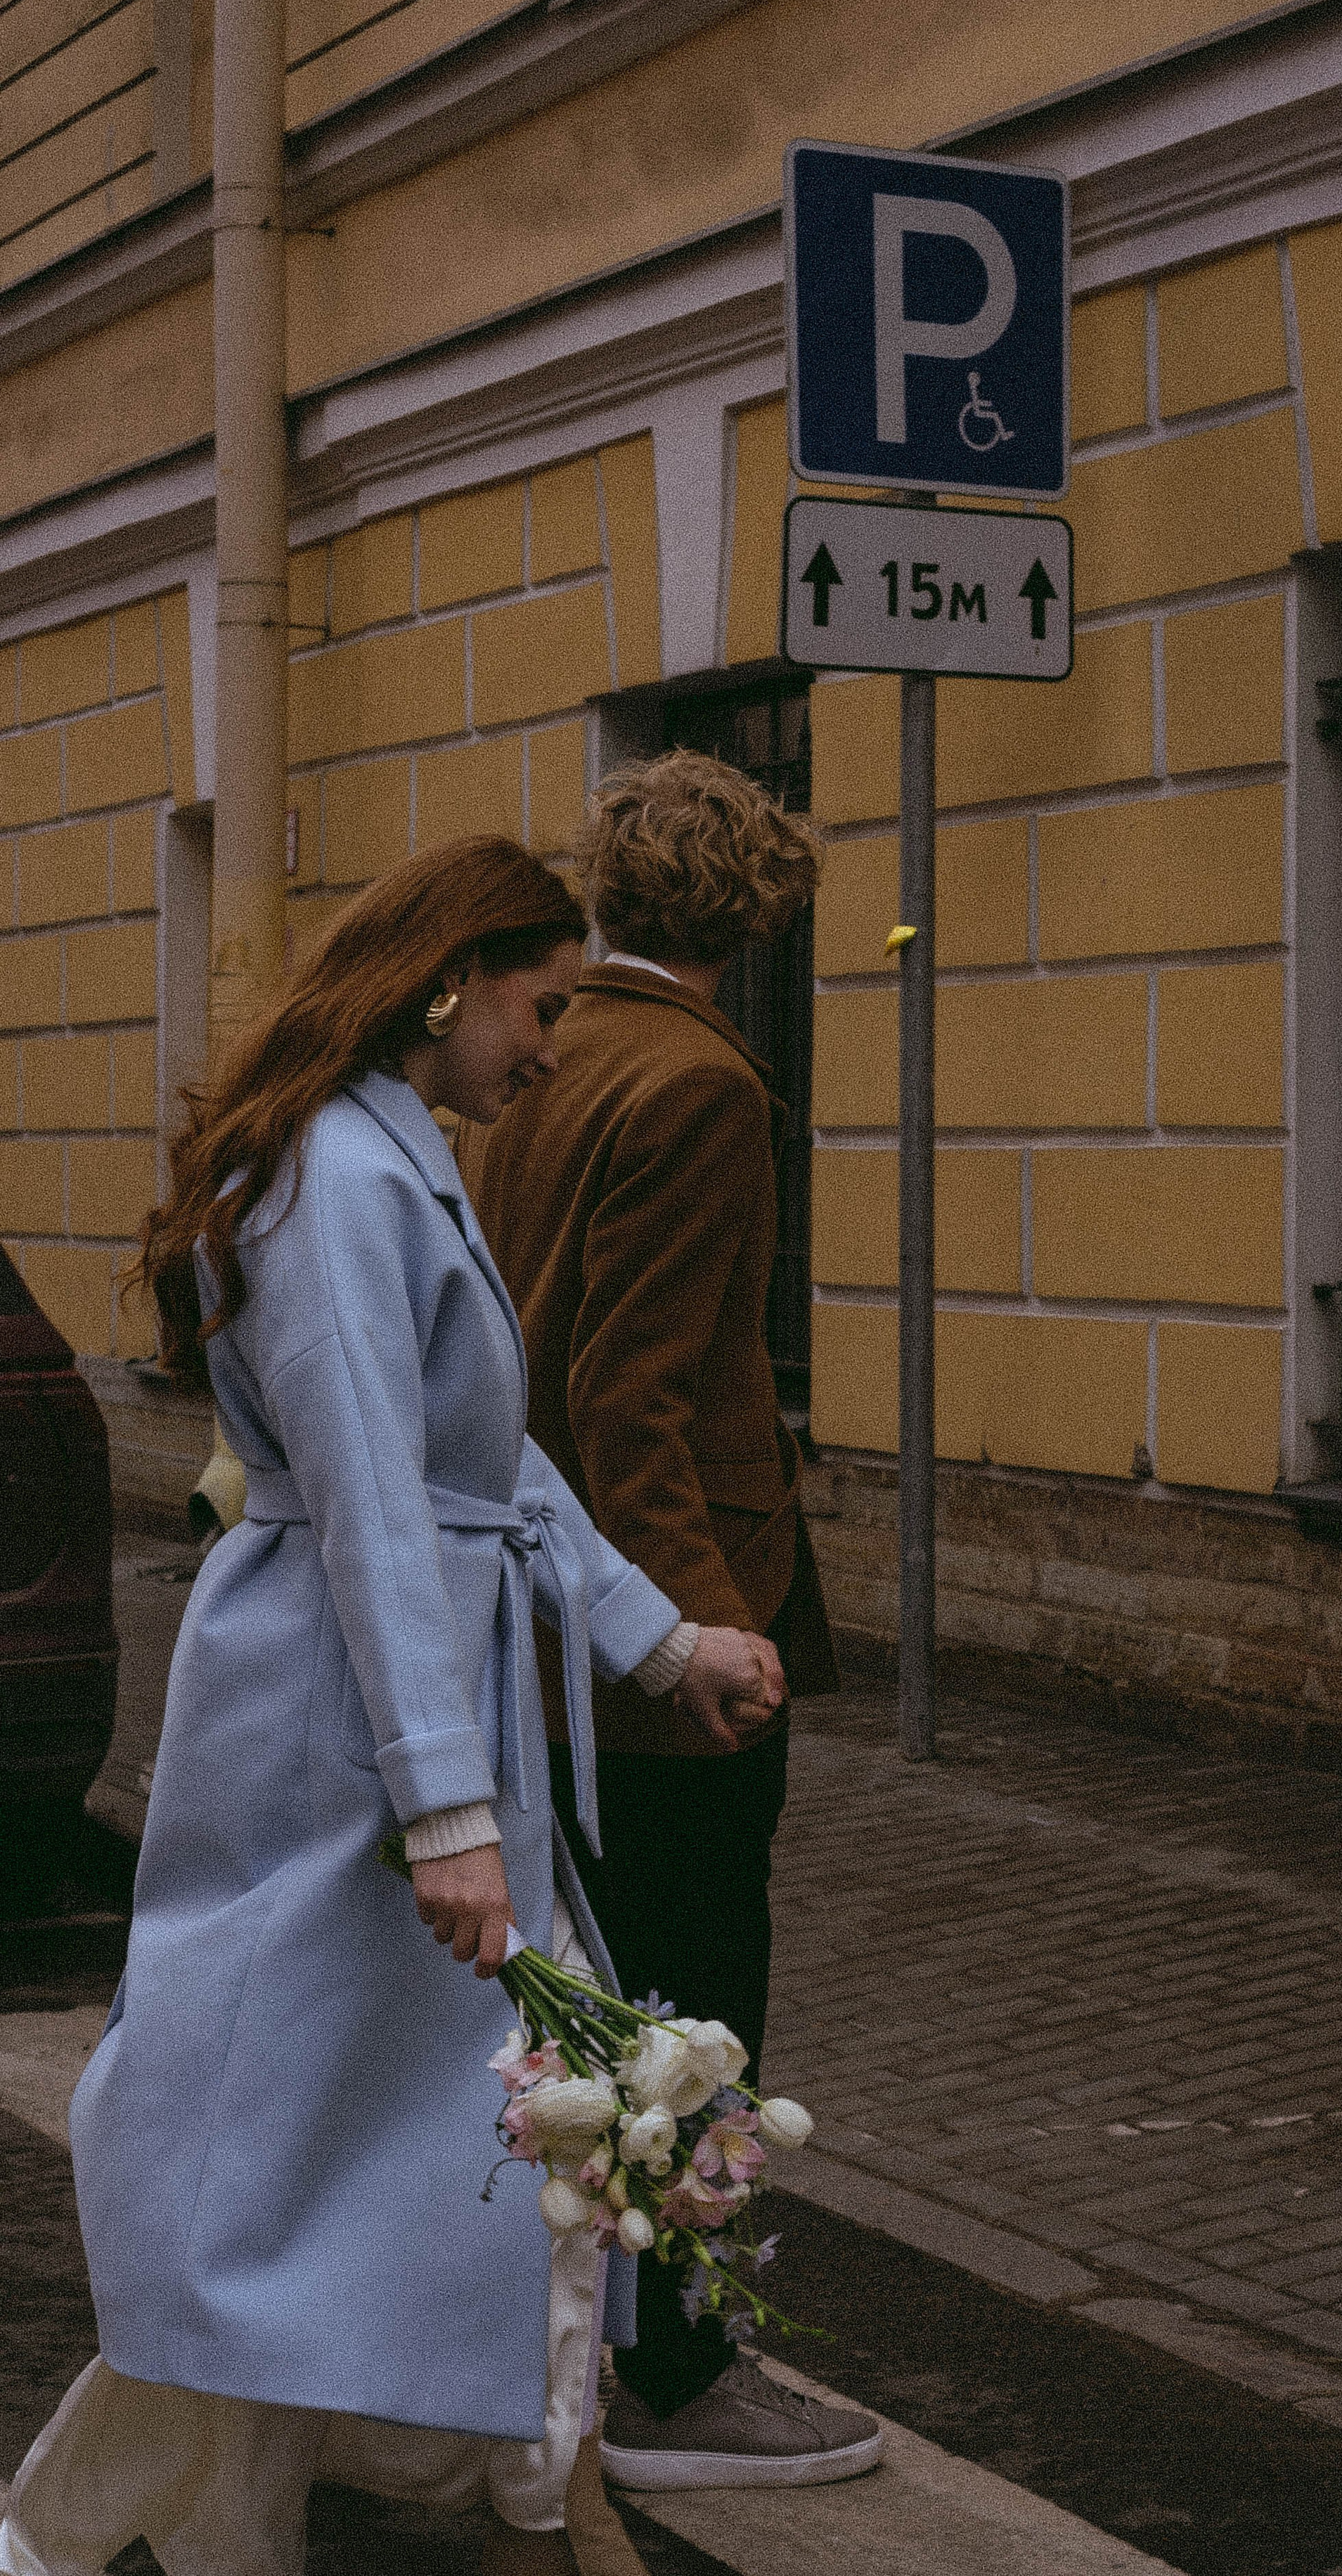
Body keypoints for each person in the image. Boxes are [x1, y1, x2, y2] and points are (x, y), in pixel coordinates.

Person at [0, 837, 783, 2576]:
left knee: (440, 2123)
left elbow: (477, 1462)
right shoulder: (340, 1180)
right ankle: (414, 2491)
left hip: (400, 1694)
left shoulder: (384, 1155)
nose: (553, 1047)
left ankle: (490, 2480)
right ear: (449, 983)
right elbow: (370, 1493)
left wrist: (662, 1641)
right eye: (542, 1006)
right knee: (308, 2120)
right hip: (341, 1718)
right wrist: (446, 1813)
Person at [461, 752, 879, 2492]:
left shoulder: (547, 1060)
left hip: (540, 1611)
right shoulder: (701, 1085)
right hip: (646, 1632)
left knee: (591, 2010)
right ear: (762, 906)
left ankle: (570, 2347)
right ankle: (687, 2376)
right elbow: (632, 1391)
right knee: (695, 2014)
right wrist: (697, 1641)